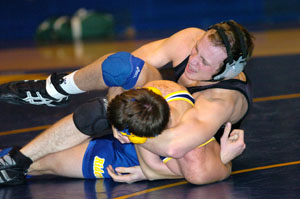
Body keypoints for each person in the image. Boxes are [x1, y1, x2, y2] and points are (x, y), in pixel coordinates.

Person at [0, 20, 253, 181]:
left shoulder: (221, 99)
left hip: (169, 153)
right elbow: (126, 67)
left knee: (45, 164)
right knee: (121, 68)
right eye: (197, 49)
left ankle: (17, 163)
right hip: (148, 117)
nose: (193, 60)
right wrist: (116, 109)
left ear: (227, 71)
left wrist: (125, 126)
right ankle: (55, 89)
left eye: (204, 62)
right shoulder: (189, 40)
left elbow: (175, 148)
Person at [1, 80, 245, 185]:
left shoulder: (192, 157)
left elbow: (152, 170)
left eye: (122, 132)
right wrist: (120, 120)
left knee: (46, 164)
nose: (117, 133)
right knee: (96, 111)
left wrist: (223, 158)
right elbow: (120, 89)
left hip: (130, 157)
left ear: (141, 136)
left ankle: (16, 164)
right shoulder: (160, 90)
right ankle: (17, 158)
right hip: (145, 134)